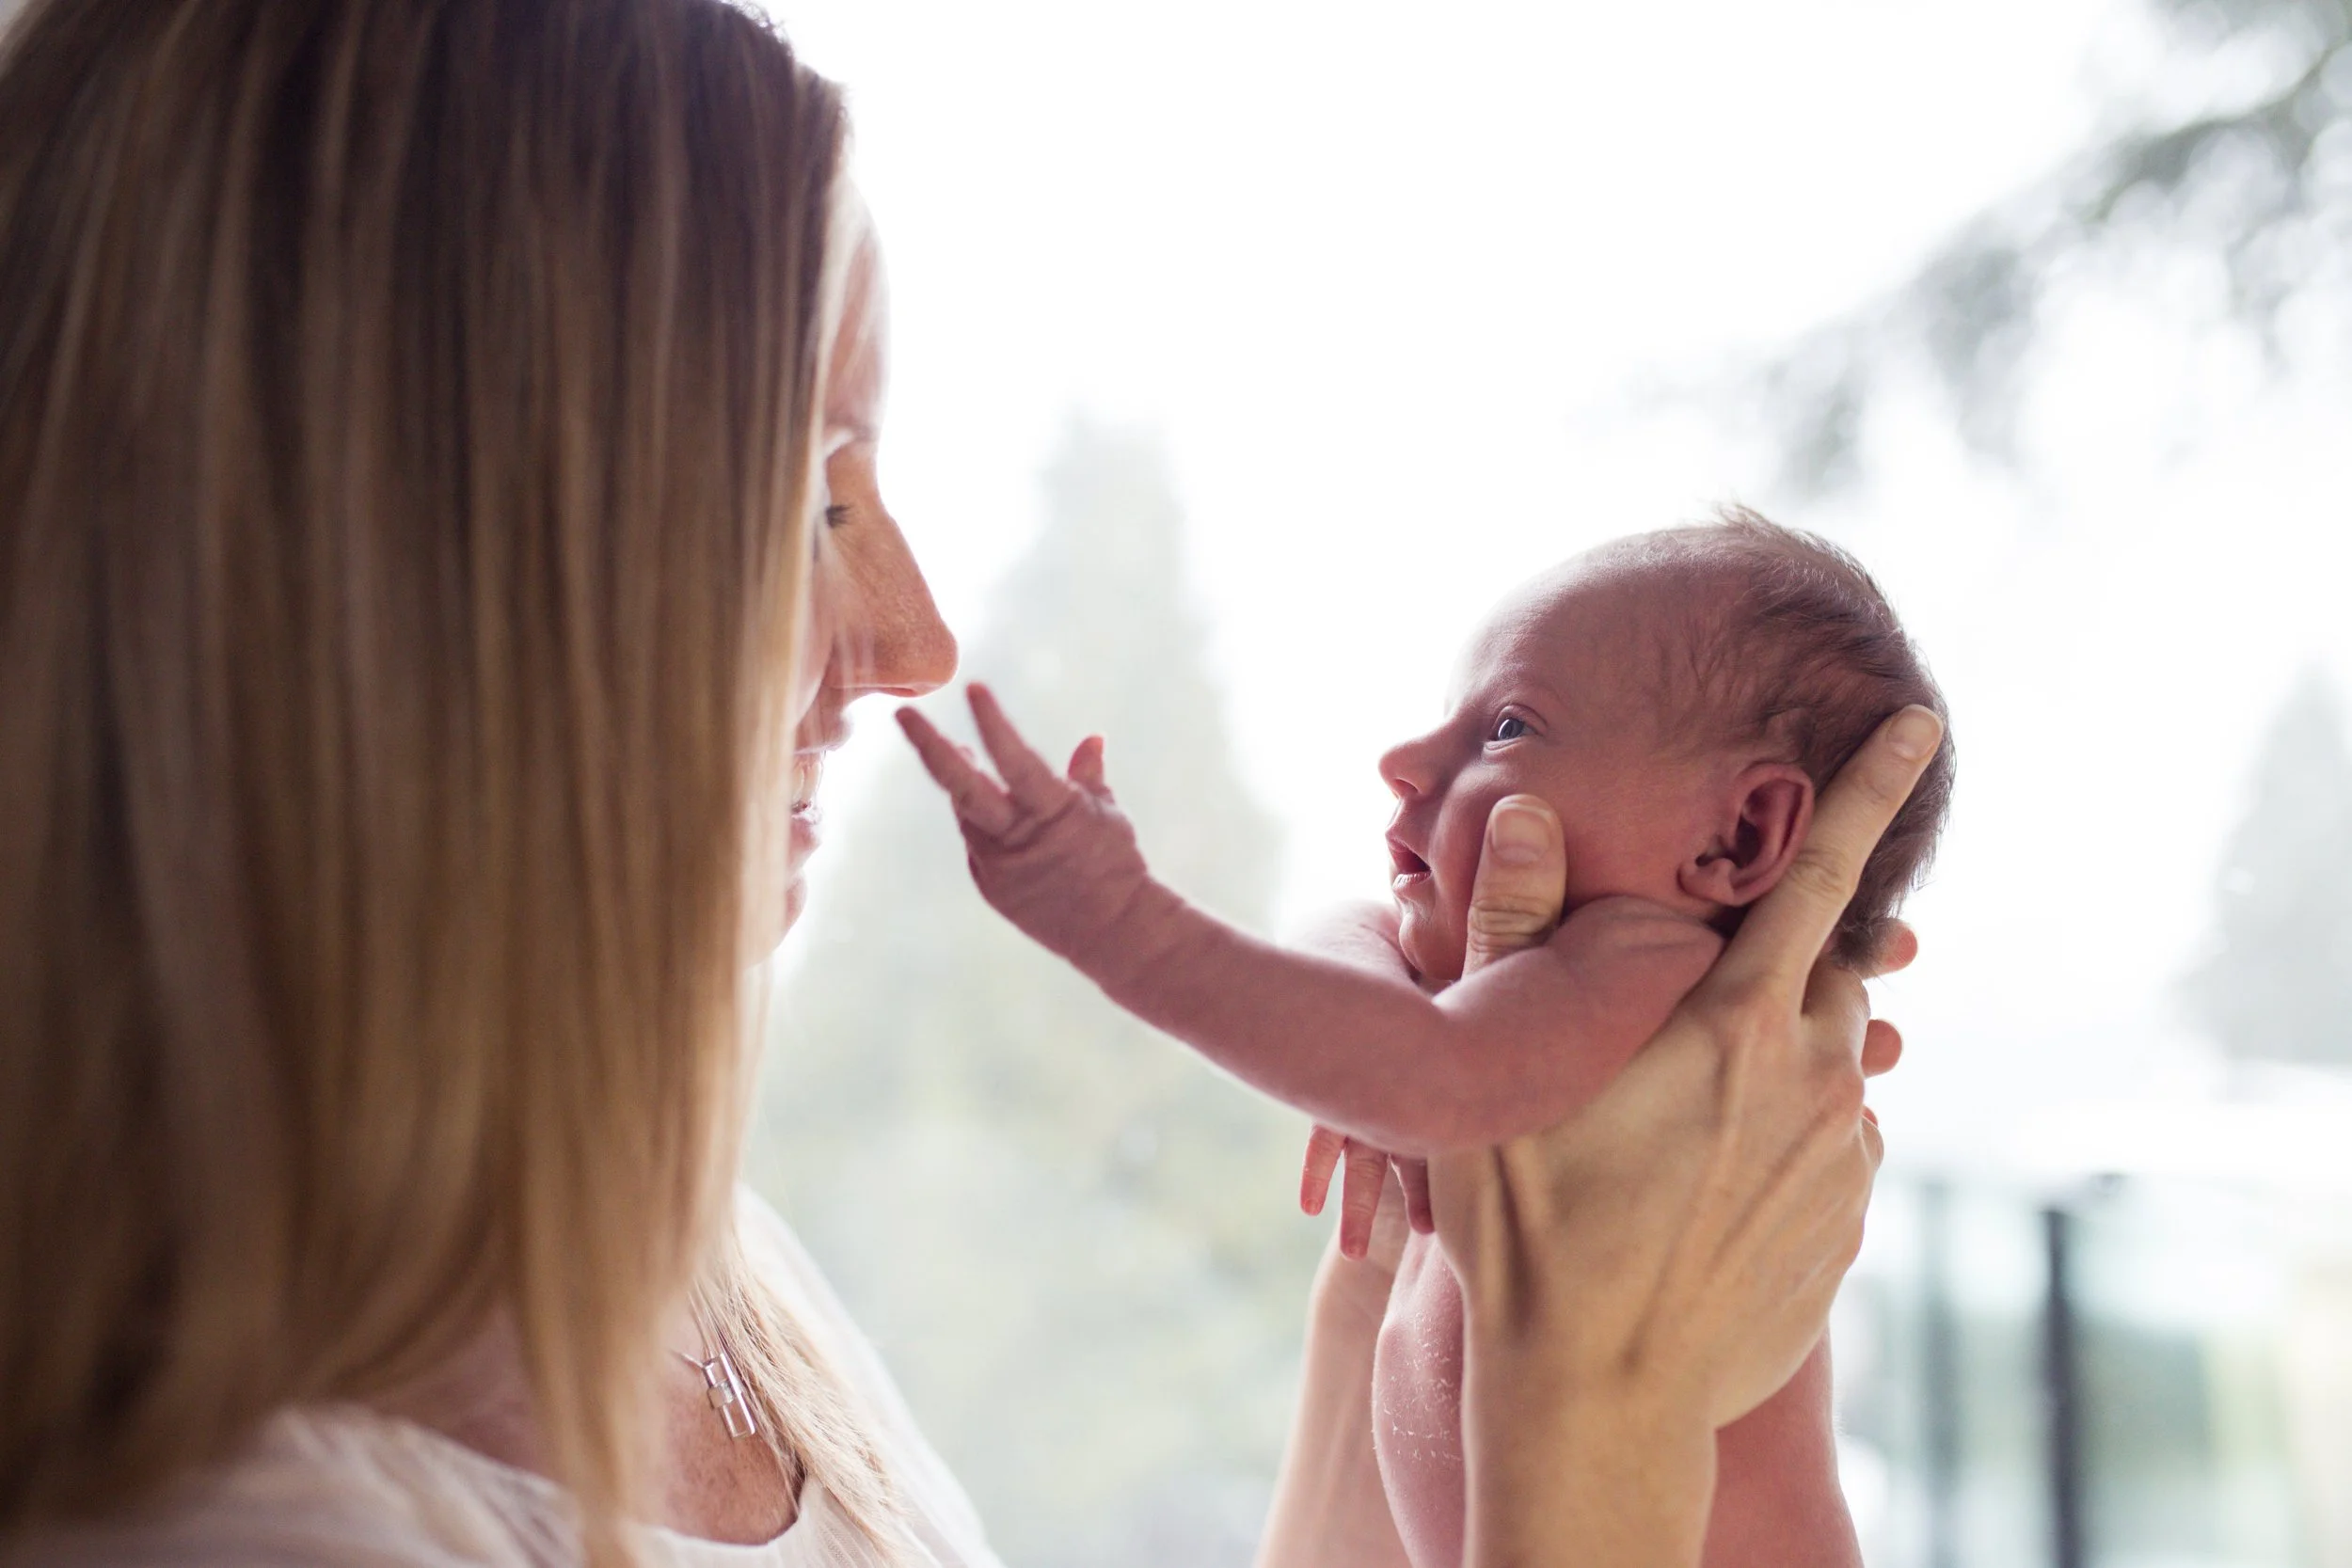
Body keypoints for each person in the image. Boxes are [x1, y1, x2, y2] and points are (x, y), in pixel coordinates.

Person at [0, 0, 1919, 1563]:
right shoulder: (243, 1520)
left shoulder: (720, 1293)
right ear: (430, 556)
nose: (912, 637)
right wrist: (1593, 1407)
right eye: (816, 487)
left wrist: (1409, 1269)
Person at [897, 514, 1950, 1566]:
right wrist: (1372, 1021)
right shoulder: (1523, 1011)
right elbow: (1349, 939)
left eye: (1506, 728)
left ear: (1737, 837)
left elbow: (1428, 1074)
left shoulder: (1651, 972)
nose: (1403, 759)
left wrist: (1124, 922)